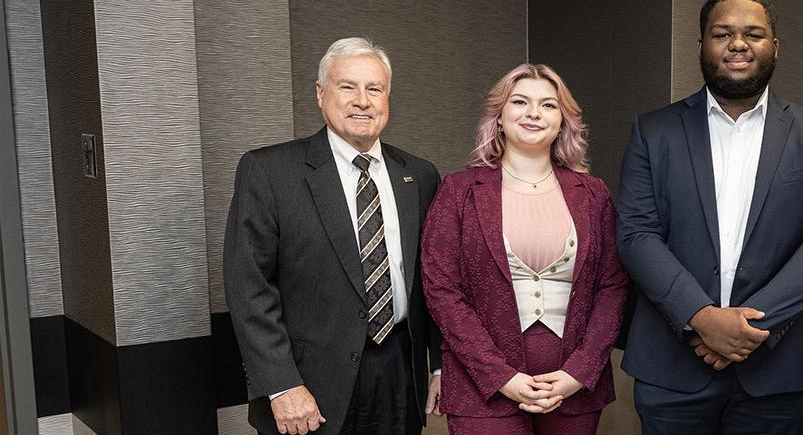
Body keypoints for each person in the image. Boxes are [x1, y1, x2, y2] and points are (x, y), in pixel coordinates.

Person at [615, 0, 803, 433]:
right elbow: (637, 235)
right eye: (722, 33)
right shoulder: (653, 131)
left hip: (775, 369)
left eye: (753, 34)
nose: (738, 44)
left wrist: (745, 330)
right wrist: (701, 318)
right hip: (671, 366)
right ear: (700, 45)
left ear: (775, 47)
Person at [224, 37, 443, 434]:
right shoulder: (270, 172)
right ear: (321, 95)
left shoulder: (420, 175)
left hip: (399, 373)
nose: (362, 100)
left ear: (387, 98)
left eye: (374, 89)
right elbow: (249, 288)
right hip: (308, 383)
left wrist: (440, 364)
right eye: (348, 87)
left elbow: (436, 281)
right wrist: (281, 384)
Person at [421, 63, 629, 435]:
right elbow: (441, 291)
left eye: (548, 105)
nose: (534, 113)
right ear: (499, 117)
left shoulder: (594, 194)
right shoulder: (458, 191)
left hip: (573, 392)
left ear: (563, 121)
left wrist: (579, 372)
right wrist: (500, 376)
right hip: (481, 390)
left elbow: (613, 287)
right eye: (520, 101)